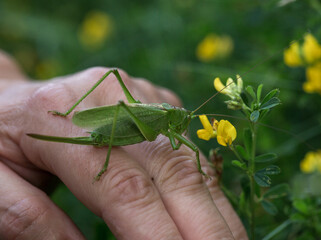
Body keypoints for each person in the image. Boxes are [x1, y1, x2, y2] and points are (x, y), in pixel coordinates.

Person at [0, 50, 248, 239]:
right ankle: (89, 142)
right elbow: (181, 147)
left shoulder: (171, 116)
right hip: (119, 128)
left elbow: (174, 145)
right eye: (184, 119)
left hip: (133, 126)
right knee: (114, 80)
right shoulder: (165, 117)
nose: (185, 123)